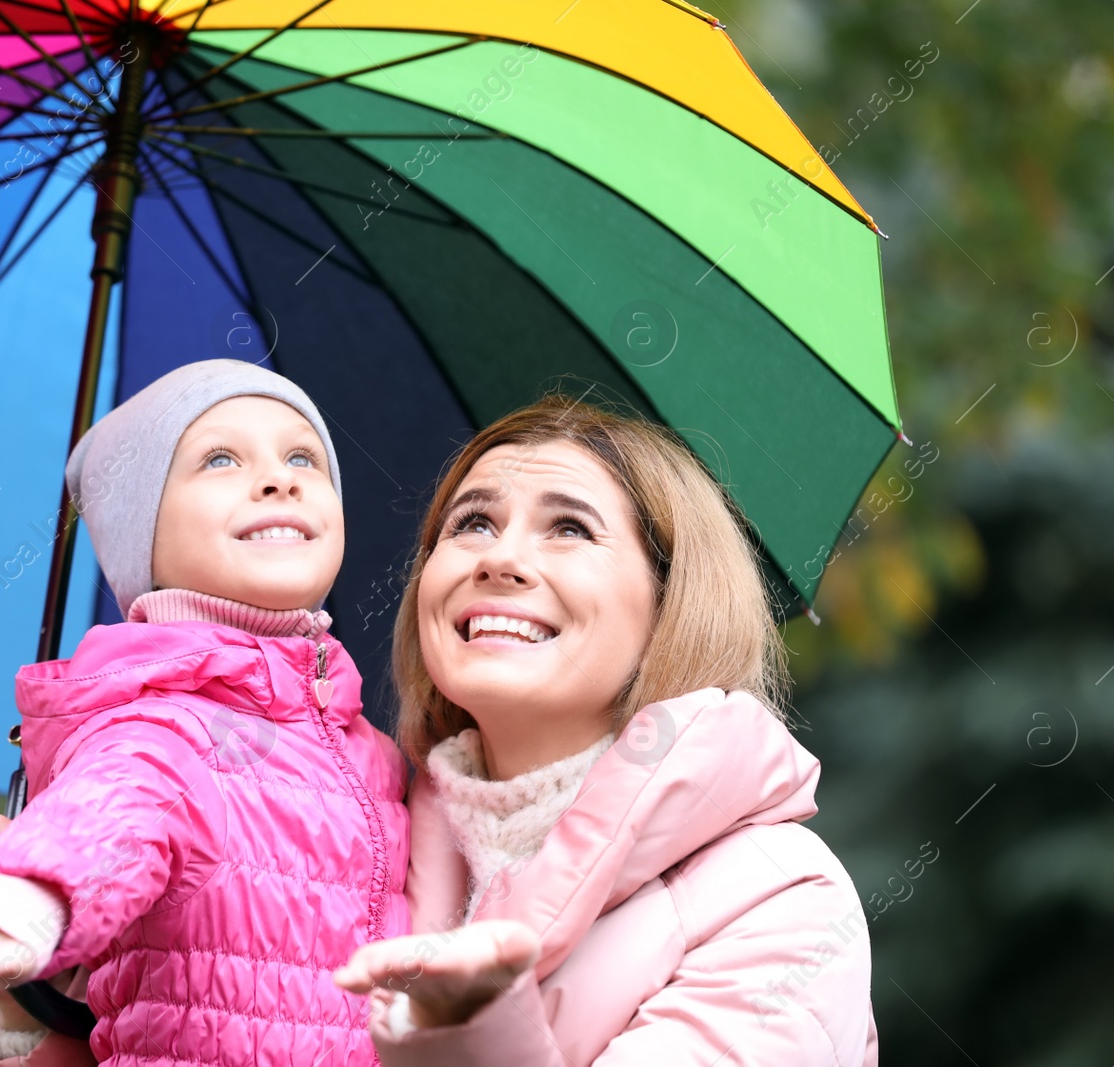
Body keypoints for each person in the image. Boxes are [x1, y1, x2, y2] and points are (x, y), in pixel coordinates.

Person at [0, 359, 409, 1067]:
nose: (281, 478)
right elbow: (108, 820)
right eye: (219, 458)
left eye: (303, 455)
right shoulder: (163, 723)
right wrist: (18, 905)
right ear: (140, 532)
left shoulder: (371, 748)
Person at [331, 397, 878, 1065]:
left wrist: (469, 1031)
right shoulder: (363, 854)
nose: (499, 559)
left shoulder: (779, 893)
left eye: (569, 528)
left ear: (670, 601)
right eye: (472, 522)